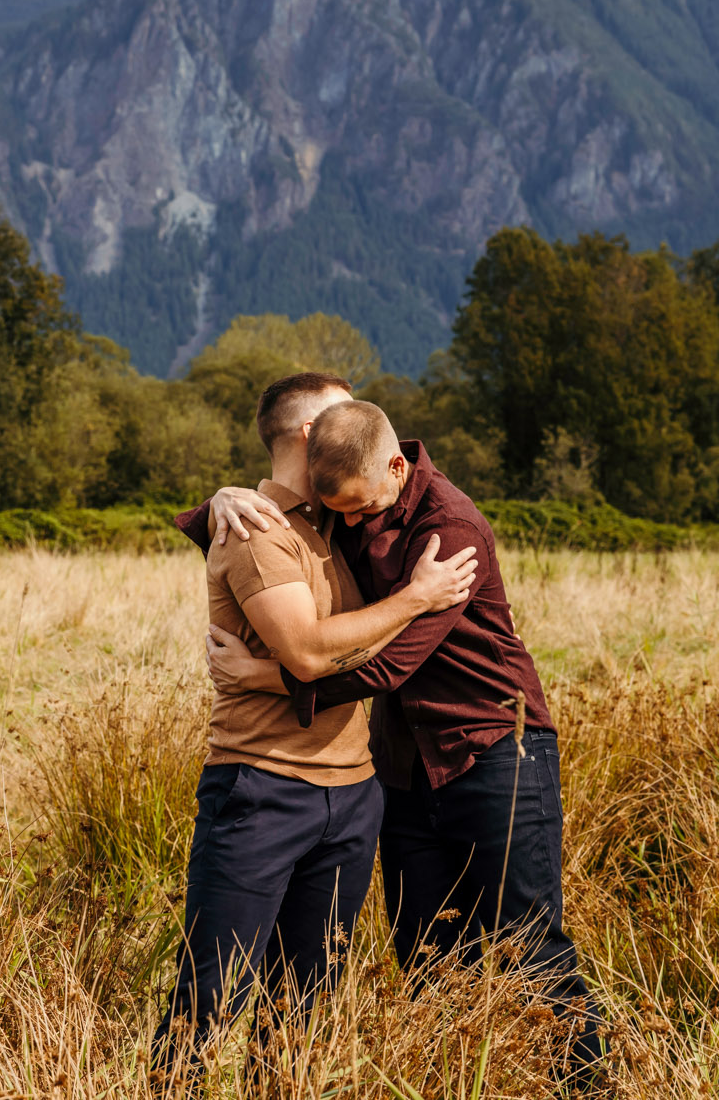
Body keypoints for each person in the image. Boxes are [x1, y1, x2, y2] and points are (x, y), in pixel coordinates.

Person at [196, 399, 605, 1079]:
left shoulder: (451, 529)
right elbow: (271, 540)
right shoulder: (352, 492)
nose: (351, 524)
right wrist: (221, 500)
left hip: (495, 752)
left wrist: (269, 678)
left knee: (529, 949)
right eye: (342, 513)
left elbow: (391, 664)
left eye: (359, 509)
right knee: (425, 956)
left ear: (397, 464)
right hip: (406, 771)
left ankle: (592, 1090)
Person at [153, 373, 480, 1087]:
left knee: (305, 1008)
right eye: (344, 411)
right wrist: (417, 600)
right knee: (209, 996)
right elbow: (306, 651)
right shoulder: (257, 531)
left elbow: (401, 494)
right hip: (264, 788)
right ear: (309, 435)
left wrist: (214, 500)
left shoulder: (339, 525)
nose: (362, 420)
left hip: (352, 795)